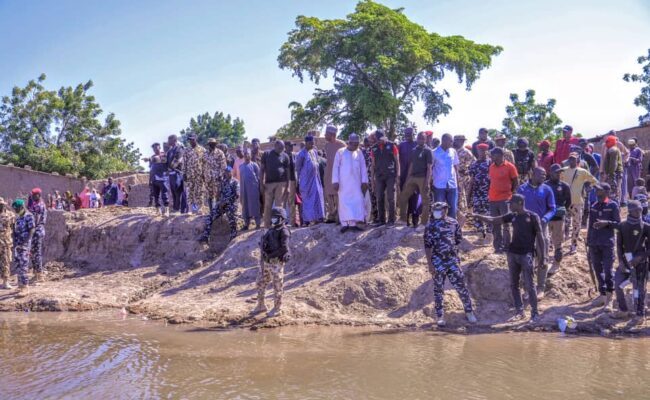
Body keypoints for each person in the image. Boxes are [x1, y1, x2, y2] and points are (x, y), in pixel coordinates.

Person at [471, 194, 545, 322]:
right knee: (514, 284)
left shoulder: (532, 217)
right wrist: (478, 216)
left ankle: (534, 313)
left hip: (526, 254)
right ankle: (519, 311)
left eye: (512, 203)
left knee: (530, 284)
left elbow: (540, 238)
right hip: (512, 254)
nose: (509, 206)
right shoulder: (513, 216)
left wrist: (543, 257)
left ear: (520, 203)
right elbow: (494, 220)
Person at [424, 202, 477, 327]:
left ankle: (469, 312)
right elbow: (427, 247)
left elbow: (458, 239)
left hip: (452, 261)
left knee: (461, 287)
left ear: (445, 210)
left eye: (439, 209)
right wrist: (430, 265)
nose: (436, 212)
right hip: (437, 261)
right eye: (434, 209)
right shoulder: (430, 225)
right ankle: (440, 315)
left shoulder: (453, 223)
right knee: (438, 289)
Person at [517, 167, 555, 295]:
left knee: (543, 256)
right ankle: (527, 287)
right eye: (541, 174)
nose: (544, 177)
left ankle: (541, 287)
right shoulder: (522, 189)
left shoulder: (547, 189)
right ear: (532, 174)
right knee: (526, 258)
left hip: (541, 228)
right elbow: (516, 207)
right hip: (525, 229)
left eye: (545, 175)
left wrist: (545, 218)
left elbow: (552, 209)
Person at [610, 200, 650, 321]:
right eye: (635, 210)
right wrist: (621, 262)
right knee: (618, 284)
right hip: (626, 261)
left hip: (641, 262)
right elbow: (619, 245)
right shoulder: (622, 226)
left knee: (640, 287)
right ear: (630, 211)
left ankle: (640, 313)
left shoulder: (646, 227)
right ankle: (623, 310)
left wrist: (640, 257)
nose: (638, 212)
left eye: (640, 210)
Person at [588, 183, 620, 312]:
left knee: (608, 271)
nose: (597, 192)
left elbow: (618, 224)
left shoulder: (612, 205)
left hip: (607, 243)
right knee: (598, 270)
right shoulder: (594, 205)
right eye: (596, 190)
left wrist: (606, 223)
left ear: (607, 191)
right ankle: (602, 295)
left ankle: (609, 298)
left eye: (599, 190)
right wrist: (588, 240)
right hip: (594, 243)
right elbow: (590, 224)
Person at [253, 207, 291, 317]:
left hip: (276, 262)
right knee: (260, 282)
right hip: (266, 262)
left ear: (282, 219)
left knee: (277, 286)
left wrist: (271, 255)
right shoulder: (271, 230)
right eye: (273, 217)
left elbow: (284, 248)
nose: (274, 220)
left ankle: (277, 308)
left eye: (276, 218)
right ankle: (260, 305)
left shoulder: (284, 231)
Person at [561, 153, 598, 254]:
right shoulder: (563, 171)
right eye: (570, 159)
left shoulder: (582, 171)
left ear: (577, 161)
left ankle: (573, 245)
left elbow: (594, 181)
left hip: (578, 202)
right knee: (564, 223)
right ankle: (561, 243)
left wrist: (589, 188)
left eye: (574, 159)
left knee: (576, 224)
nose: (572, 160)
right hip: (565, 202)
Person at [332, 134, 369, 232]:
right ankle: (345, 224)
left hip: (356, 183)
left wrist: (364, 181)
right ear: (349, 143)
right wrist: (335, 181)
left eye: (357, 144)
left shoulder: (359, 152)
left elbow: (363, 167)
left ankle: (353, 224)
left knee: (357, 201)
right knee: (344, 202)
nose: (356, 146)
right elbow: (335, 167)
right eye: (355, 144)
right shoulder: (340, 152)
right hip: (344, 184)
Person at [488, 147, 519, 253]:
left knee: (506, 224)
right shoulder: (491, 167)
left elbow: (515, 182)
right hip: (493, 199)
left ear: (500, 155)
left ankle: (507, 246)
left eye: (493, 155)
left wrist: (511, 194)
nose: (491, 157)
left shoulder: (510, 167)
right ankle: (497, 247)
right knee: (495, 224)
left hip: (505, 199)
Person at [399, 132, 432, 227]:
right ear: (416, 139)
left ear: (425, 139)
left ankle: (424, 223)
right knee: (403, 197)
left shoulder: (428, 151)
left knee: (425, 200)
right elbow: (411, 165)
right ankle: (403, 220)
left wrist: (427, 182)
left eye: (423, 138)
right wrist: (407, 179)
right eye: (419, 138)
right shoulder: (414, 150)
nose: (421, 140)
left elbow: (429, 167)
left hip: (422, 178)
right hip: (413, 177)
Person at [545, 164, 571, 276]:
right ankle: (541, 262)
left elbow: (568, 201)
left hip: (558, 218)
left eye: (560, 172)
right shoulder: (544, 185)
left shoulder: (564, 186)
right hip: (546, 217)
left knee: (558, 242)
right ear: (550, 172)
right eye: (556, 172)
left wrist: (562, 210)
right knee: (543, 241)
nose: (558, 174)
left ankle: (556, 263)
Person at [200, 166, 239, 242]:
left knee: (230, 214)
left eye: (229, 172)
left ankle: (233, 234)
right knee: (211, 215)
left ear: (231, 172)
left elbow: (236, 195)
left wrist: (226, 201)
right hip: (222, 205)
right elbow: (219, 194)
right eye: (226, 172)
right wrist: (219, 202)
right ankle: (205, 235)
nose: (227, 174)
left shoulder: (235, 182)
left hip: (231, 204)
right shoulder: (223, 182)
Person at [370, 129, 400, 225]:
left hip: (390, 175)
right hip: (379, 176)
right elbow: (373, 165)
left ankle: (391, 220)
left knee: (391, 198)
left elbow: (397, 162)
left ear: (385, 137)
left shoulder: (392, 146)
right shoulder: (374, 148)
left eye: (381, 139)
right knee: (379, 198)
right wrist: (372, 179)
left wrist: (398, 175)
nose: (380, 141)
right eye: (378, 139)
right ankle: (381, 220)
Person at [295, 135, 325, 226]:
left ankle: (318, 218)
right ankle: (307, 220)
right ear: (306, 143)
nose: (312, 145)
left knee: (317, 199)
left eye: (313, 143)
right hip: (306, 182)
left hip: (315, 180)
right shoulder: (301, 154)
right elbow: (297, 169)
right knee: (307, 200)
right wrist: (298, 183)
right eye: (310, 143)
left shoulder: (314, 152)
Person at [261, 140, 290, 228]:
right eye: (280, 147)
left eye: (283, 148)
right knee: (268, 205)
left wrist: (287, 185)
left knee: (279, 205)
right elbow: (262, 169)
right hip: (269, 184)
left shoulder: (285, 156)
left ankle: (279, 225)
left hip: (281, 183)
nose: (282, 149)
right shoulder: (266, 154)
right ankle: (266, 226)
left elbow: (287, 172)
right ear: (275, 145)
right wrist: (261, 183)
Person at [468, 143, 492, 244]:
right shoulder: (474, 164)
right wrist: (469, 195)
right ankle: (480, 236)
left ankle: (489, 237)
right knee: (477, 215)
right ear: (477, 151)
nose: (482, 152)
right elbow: (472, 180)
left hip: (489, 193)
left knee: (489, 215)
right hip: (477, 193)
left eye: (484, 150)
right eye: (480, 150)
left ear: (487, 151)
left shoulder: (491, 163)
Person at [431, 133, 460, 218]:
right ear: (444, 140)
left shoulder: (453, 151)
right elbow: (430, 168)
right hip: (439, 185)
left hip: (452, 184)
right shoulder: (434, 152)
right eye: (450, 141)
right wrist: (430, 182)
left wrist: (457, 180)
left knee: (453, 208)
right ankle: (438, 228)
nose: (452, 143)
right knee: (438, 208)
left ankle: (451, 228)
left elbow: (455, 166)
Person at [11, 199, 35, 297]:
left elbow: (32, 229)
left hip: (24, 245)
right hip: (18, 245)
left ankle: (25, 287)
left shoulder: (28, 216)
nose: (15, 211)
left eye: (16, 209)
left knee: (24, 265)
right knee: (18, 265)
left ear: (21, 207)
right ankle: (20, 285)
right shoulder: (19, 217)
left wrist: (26, 242)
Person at [323, 125, 346, 223]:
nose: (324, 135)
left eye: (326, 133)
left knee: (337, 195)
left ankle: (339, 216)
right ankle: (331, 215)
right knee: (329, 195)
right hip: (328, 173)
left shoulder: (342, 145)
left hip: (338, 174)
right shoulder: (326, 145)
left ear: (332, 134)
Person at [399, 127, 419, 226]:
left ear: (413, 134)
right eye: (406, 133)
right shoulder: (401, 145)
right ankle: (405, 219)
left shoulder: (418, 145)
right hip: (403, 176)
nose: (407, 135)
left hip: (415, 176)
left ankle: (415, 219)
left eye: (409, 133)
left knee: (414, 198)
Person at [203, 138, 228, 213]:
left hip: (217, 178)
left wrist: (220, 175)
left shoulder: (220, 153)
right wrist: (203, 175)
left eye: (213, 144)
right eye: (210, 144)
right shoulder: (205, 153)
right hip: (208, 178)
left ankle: (219, 212)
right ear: (208, 145)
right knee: (209, 196)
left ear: (215, 144)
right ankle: (211, 212)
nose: (212, 145)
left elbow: (223, 165)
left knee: (218, 195)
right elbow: (203, 165)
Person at [239, 150, 262, 230]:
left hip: (253, 189)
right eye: (245, 154)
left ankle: (258, 224)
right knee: (245, 207)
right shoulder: (241, 166)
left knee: (255, 206)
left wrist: (260, 189)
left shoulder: (254, 165)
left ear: (250, 155)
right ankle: (246, 224)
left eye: (247, 154)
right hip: (244, 190)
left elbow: (259, 178)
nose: (246, 155)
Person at [453, 135, 476, 216]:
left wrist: (467, 170)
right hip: (452, 177)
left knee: (462, 197)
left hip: (463, 177)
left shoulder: (466, 152)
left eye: (462, 140)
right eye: (459, 140)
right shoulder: (451, 151)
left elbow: (474, 163)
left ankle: (463, 216)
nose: (461, 142)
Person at [28, 188, 47, 283]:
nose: (33, 196)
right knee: (32, 252)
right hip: (33, 232)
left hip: (38, 231)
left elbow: (39, 221)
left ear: (39, 195)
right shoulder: (33, 205)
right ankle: (36, 273)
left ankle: (40, 275)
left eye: (35, 195)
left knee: (37, 253)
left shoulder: (40, 206)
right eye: (33, 195)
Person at [184, 133, 206, 214]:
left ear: (196, 139)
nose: (191, 141)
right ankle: (190, 209)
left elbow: (204, 162)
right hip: (190, 174)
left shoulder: (202, 150)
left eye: (192, 139)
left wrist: (204, 173)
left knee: (200, 191)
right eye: (189, 139)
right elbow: (185, 162)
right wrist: (184, 173)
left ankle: (200, 208)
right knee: (190, 191)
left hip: (199, 174)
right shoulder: (186, 150)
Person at [166, 134, 185, 213]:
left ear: (174, 140)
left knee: (178, 191)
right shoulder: (170, 150)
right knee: (173, 191)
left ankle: (180, 210)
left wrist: (170, 168)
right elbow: (166, 162)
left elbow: (177, 160)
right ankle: (175, 208)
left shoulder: (179, 149)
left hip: (178, 173)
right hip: (171, 174)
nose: (168, 142)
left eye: (169, 140)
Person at [601, 135, 623, 203]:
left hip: (613, 174)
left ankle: (614, 208)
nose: (606, 143)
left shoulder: (613, 150)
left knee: (613, 192)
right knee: (613, 191)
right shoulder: (613, 149)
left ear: (611, 142)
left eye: (607, 142)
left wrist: (609, 175)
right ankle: (610, 206)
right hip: (614, 173)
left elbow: (614, 164)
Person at [362, 135, 378, 223]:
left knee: (374, 197)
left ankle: (376, 217)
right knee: (371, 198)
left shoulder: (373, 150)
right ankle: (373, 217)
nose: (368, 144)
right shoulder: (364, 152)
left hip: (372, 177)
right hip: (367, 178)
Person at [0, 198, 14, 290]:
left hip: (5, 242)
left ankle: (6, 282)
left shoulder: (10, 215)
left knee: (6, 262)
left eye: (1, 204)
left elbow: (13, 227)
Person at [284, 141, 298, 227]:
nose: (292, 147)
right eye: (290, 146)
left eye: (292, 146)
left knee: (291, 201)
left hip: (292, 180)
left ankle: (292, 221)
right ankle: (285, 220)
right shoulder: (282, 156)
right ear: (286, 146)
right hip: (284, 181)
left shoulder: (294, 155)